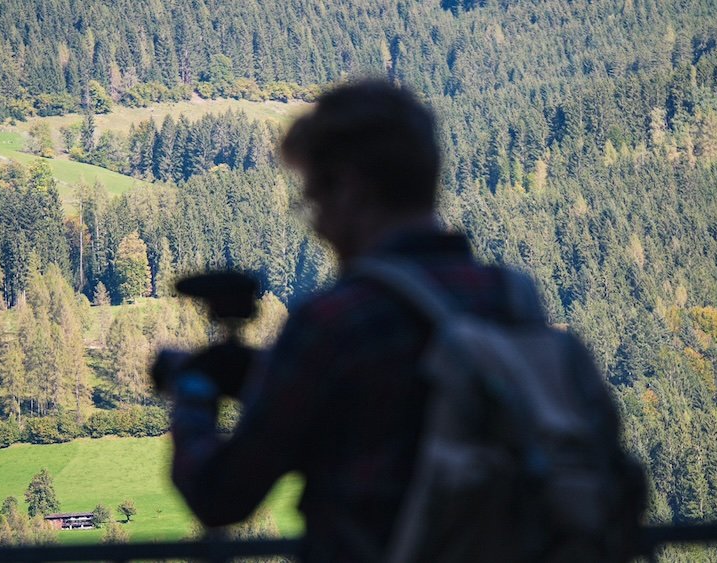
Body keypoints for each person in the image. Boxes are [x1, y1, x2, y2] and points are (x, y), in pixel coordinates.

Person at [168, 79, 626, 561]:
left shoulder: (336, 321)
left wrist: (192, 391)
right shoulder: (511, 299)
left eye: (314, 200)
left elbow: (220, 496)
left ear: (349, 188)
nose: (317, 224)